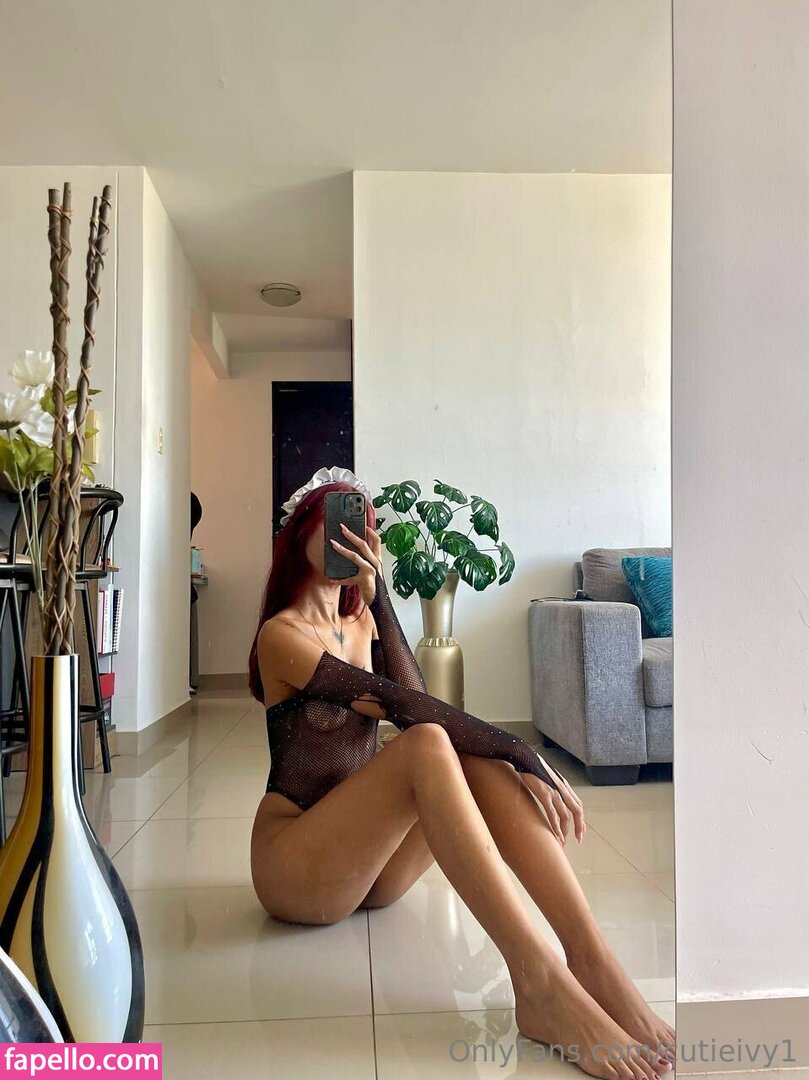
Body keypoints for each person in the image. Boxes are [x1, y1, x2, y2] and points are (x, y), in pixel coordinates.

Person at [247, 470, 675, 1080]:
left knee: (457, 748)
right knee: (428, 743)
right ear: (299, 536)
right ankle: (539, 981)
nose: (355, 534)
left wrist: (380, 598)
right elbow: (408, 711)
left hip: (369, 868)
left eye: (365, 523)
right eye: (338, 521)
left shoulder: (360, 623)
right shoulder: (281, 635)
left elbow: (418, 700)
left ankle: (590, 958)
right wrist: (521, 750)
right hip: (297, 866)